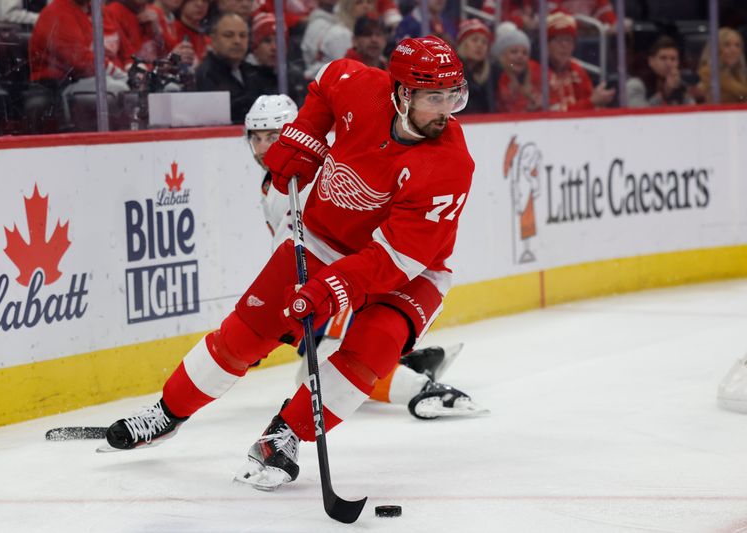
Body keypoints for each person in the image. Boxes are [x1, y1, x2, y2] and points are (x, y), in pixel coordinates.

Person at [102, 36, 478, 491]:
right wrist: (307, 136)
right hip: (323, 236)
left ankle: (286, 435)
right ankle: (166, 413)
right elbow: (324, 83)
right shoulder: (360, 85)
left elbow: (396, 258)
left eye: (452, 96)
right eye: (432, 97)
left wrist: (329, 288)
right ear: (400, 92)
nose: (444, 110)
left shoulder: (449, 164)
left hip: (411, 267)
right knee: (243, 334)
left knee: (374, 347)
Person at [244, 93, 483, 419]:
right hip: (330, 282)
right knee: (315, 371)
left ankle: (421, 388)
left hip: (346, 277)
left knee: (322, 366)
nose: (262, 147)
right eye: (256, 138)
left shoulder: (311, 175)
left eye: (273, 136)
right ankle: (404, 364)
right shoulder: (277, 181)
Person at [195, 12, 274, 123]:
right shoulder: (205, 75)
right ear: (213, 39)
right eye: (228, 35)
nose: (237, 41)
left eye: (243, 35)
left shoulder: (254, 73)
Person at [546, 11, 614, 111]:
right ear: (546, 44)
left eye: (568, 40)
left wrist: (594, 102)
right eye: (559, 40)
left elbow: (592, 109)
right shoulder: (537, 73)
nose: (565, 45)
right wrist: (591, 102)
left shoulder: (578, 71)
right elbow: (553, 115)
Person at [626, 36, 695, 108]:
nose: (668, 64)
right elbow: (639, 115)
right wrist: (664, 93)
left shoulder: (682, 85)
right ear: (651, 61)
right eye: (663, 58)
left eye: (673, 59)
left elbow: (692, 114)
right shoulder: (635, 85)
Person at [492, 21, 542, 113]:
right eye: (514, 52)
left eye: (525, 53)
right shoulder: (493, 78)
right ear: (501, 56)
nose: (520, 56)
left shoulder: (538, 72)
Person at [697, 27, 747, 104]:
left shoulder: (741, 76)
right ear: (716, 49)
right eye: (727, 45)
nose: (734, 50)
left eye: (737, 45)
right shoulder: (707, 75)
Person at [456, 18, 494, 114]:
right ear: (463, 44)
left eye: (484, 42)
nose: (480, 45)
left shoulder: (493, 72)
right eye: (474, 40)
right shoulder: (451, 71)